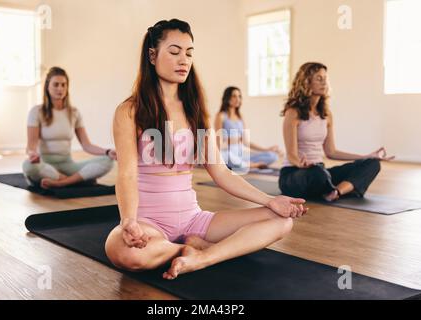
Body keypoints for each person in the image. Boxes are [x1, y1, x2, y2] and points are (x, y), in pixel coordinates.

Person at [105, 19, 307, 280]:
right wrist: (128, 221)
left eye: (189, 53)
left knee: (281, 221)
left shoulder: (196, 111)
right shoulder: (129, 111)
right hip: (149, 223)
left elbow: (221, 173)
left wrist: (270, 201)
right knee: (123, 252)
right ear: (152, 56)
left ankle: (203, 257)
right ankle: (187, 249)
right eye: (175, 52)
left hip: (194, 220)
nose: (184, 60)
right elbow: (127, 175)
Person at [279, 62, 394, 201]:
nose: (324, 83)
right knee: (318, 173)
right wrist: (301, 164)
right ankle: (339, 188)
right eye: (319, 78)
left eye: (325, 78)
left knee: (372, 164)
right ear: (306, 82)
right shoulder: (293, 112)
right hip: (295, 174)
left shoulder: (326, 114)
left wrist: (367, 156)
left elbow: (331, 152)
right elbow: (291, 155)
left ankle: (336, 192)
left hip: (319, 171)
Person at [22, 67, 116, 189]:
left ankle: (62, 182)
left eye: (63, 85)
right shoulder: (36, 112)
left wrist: (108, 152)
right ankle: (76, 180)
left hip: (68, 165)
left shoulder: (74, 113)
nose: (60, 88)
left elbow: (87, 145)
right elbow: (31, 146)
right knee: (28, 166)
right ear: (47, 86)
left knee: (107, 161)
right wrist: (32, 154)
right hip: (45, 166)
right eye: (56, 85)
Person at [214, 86, 282, 171]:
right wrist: (234, 140)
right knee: (226, 156)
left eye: (239, 96)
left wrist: (266, 149)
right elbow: (219, 144)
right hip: (227, 153)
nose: (237, 99)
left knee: (272, 156)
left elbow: (246, 142)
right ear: (227, 98)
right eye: (234, 96)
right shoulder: (221, 116)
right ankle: (252, 165)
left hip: (241, 155)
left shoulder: (240, 117)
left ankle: (246, 164)